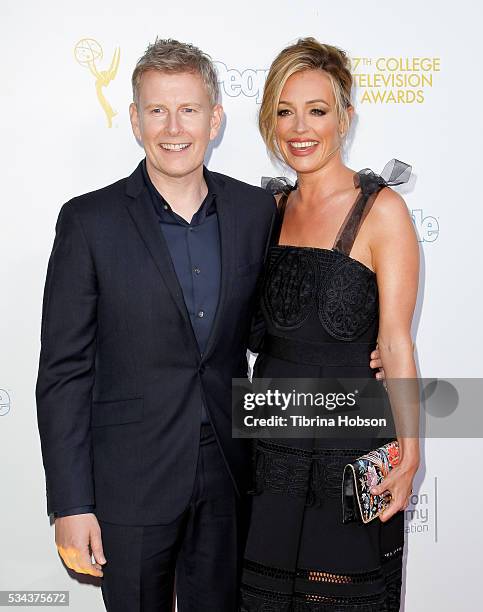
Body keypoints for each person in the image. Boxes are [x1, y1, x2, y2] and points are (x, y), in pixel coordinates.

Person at [36, 38, 385, 612]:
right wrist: (72, 504)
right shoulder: (87, 221)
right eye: (157, 110)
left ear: (215, 118)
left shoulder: (255, 212)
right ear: (134, 120)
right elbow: (63, 374)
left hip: (232, 476)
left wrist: (372, 353)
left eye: (189, 109)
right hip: (130, 485)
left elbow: (288, 315)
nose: (173, 127)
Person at [240, 38, 420, 611]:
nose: (300, 128)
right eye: (284, 112)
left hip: (358, 444)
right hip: (267, 447)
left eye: (317, 110)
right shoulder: (263, 211)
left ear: (345, 117)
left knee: (346, 599)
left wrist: (411, 452)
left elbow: (394, 340)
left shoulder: (382, 210)